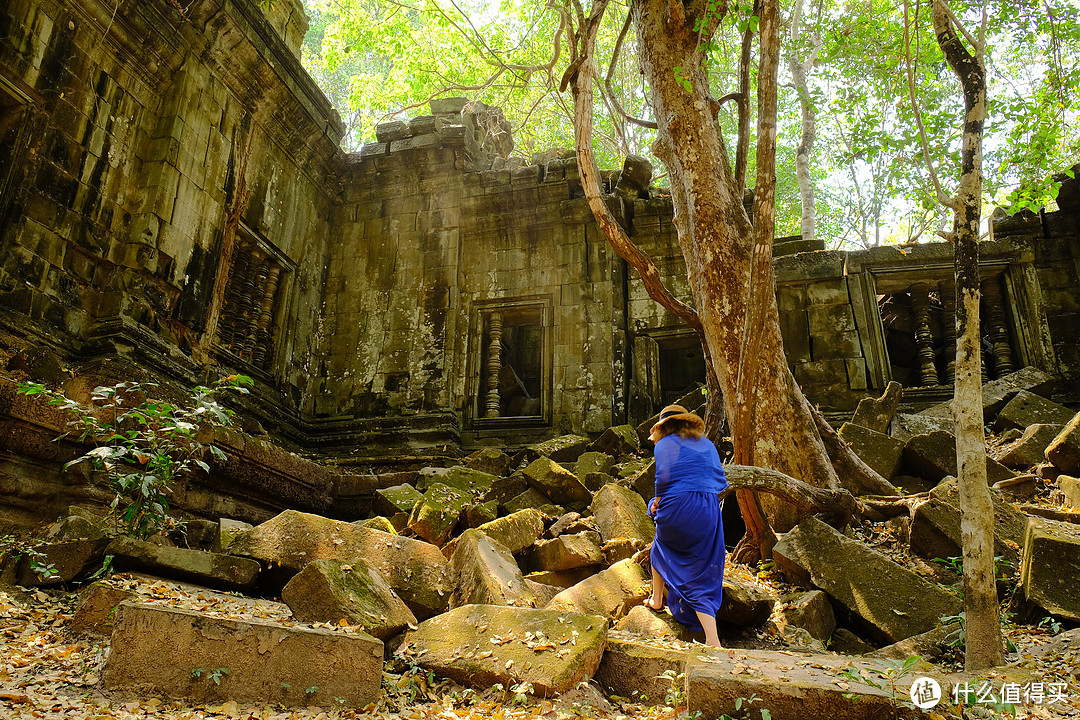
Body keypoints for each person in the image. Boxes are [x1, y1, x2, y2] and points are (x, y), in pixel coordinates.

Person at [643, 403, 728, 647]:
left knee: (660, 546)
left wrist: (656, 502)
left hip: (679, 502)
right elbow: (720, 480)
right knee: (702, 564)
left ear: (663, 427)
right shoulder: (707, 444)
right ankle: (713, 638)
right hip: (709, 506)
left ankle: (657, 598)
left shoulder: (665, 444)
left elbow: (664, 477)